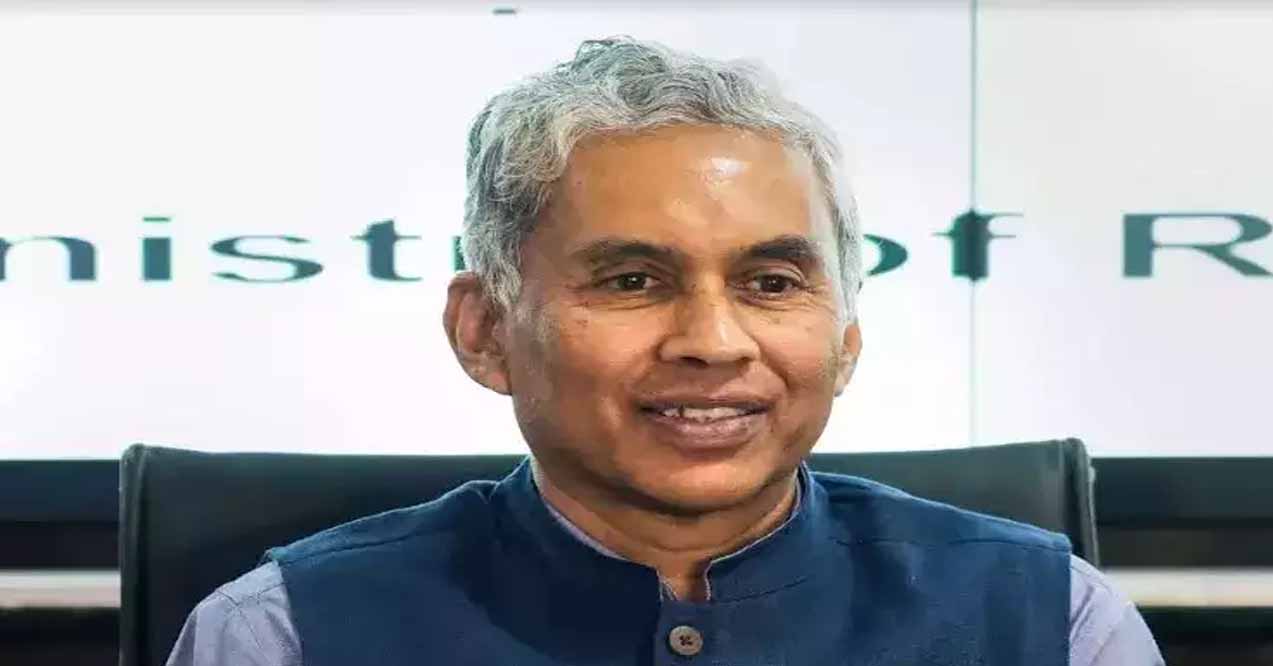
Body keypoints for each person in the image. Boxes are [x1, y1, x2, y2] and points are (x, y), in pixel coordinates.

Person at [167, 36, 1164, 665]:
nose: (713, 342)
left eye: (770, 283)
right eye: (632, 281)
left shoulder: (1054, 623)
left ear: (846, 338)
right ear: (484, 331)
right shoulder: (283, 633)